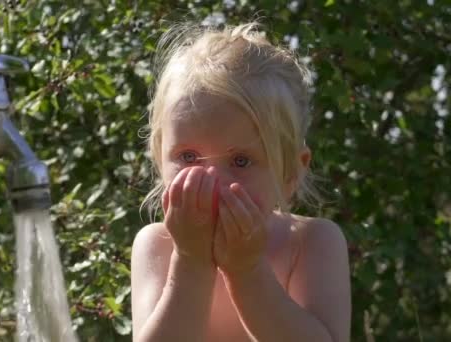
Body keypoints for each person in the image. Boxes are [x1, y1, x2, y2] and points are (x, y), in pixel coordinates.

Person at [131, 21, 351, 342]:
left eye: (241, 161)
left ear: (290, 172)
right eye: (188, 157)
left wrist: (247, 272)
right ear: (158, 158)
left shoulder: (311, 243)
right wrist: (191, 262)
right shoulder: (157, 245)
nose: (213, 181)